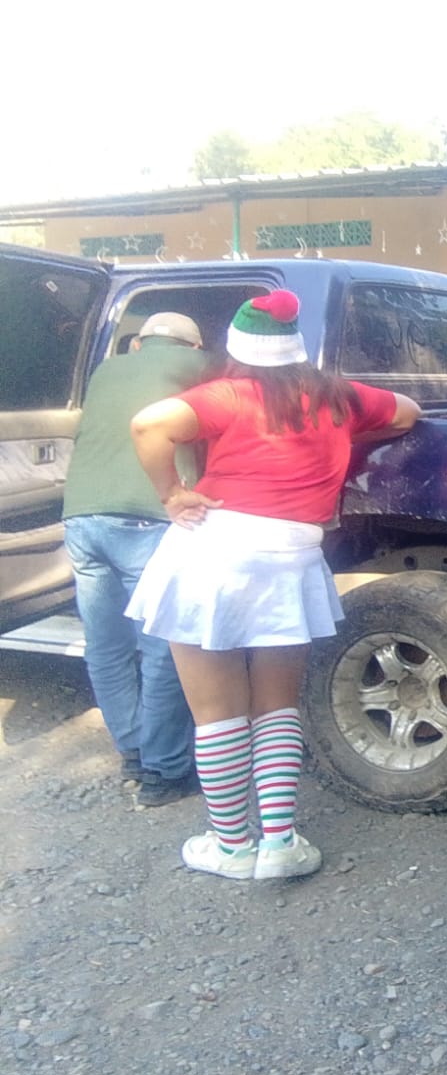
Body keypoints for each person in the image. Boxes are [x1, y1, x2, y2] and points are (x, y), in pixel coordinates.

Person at [125, 290, 420, 881]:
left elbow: (148, 424)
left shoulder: (228, 394)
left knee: (217, 712)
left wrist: (172, 493)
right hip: (291, 560)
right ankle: (280, 842)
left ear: (238, 349)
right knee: (277, 707)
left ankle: (230, 846)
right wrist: (343, 432)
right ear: (296, 349)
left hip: (212, 550)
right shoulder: (338, 398)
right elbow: (407, 412)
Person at [61, 311, 210, 806]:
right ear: (193, 348)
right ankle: (165, 769)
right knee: (162, 645)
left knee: (106, 645)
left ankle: (134, 751)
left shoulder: (106, 369)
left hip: (81, 518)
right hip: (147, 518)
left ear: (139, 344)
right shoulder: (201, 367)